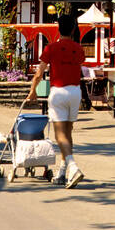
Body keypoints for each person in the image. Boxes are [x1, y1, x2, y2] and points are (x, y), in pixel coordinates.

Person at [29, 15, 86, 188]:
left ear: (58, 28)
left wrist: (33, 91)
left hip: (58, 91)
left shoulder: (51, 48)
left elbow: (39, 73)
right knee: (68, 133)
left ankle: (73, 166)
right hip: (75, 91)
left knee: (59, 134)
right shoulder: (79, 48)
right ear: (74, 29)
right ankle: (63, 172)